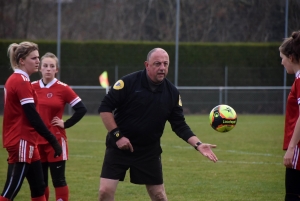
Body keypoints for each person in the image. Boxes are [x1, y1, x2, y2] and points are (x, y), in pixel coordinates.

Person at [97, 47, 218, 201]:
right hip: (120, 146)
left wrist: (198, 144)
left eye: (165, 64)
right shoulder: (128, 83)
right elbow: (104, 108)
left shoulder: (172, 93)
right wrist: (118, 136)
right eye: (157, 64)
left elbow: (179, 124)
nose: (162, 68)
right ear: (147, 65)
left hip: (148, 151)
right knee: (105, 192)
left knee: (159, 196)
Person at [0, 42, 62, 201]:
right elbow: (32, 116)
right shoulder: (21, 80)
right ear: (22, 60)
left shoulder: (18, 79)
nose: (38, 61)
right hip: (21, 140)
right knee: (10, 190)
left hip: (27, 141)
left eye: (38, 58)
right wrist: (52, 139)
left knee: (39, 187)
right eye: (33, 58)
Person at [31, 52, 87, 201]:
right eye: (45, 66)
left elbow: (81, 109)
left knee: (58, 180)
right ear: (40, 68)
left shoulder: (63, 88)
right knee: (40, 182)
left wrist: (65, 123)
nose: (48, 69)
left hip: (55, 140)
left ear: (57, 69)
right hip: (36, 141)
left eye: (52, 66)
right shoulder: (31, 87)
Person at [280, 30, 300, 201]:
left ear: (291, 58)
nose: (282, 62)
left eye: (282, 58)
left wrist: (292, 148)